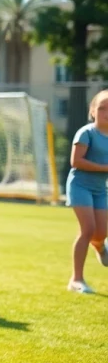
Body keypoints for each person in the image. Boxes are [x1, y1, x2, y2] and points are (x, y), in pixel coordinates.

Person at [65, 89, 108, 293]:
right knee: (88, 230)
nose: (106, 112)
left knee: (102, 233)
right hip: (80, 186)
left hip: (100, 189)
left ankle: (99, 246)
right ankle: (76, 280)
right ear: (93, 111)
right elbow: (76, 161)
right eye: (102, 108)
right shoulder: (86, 133)